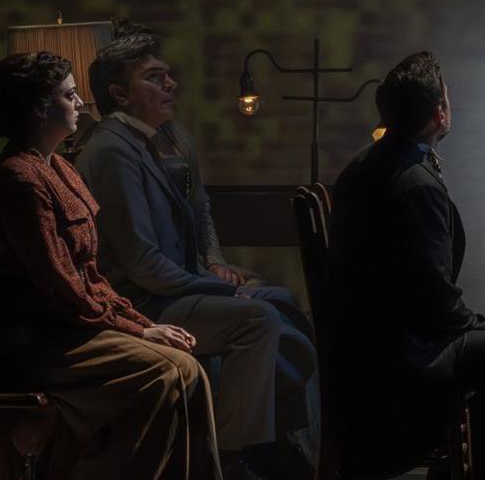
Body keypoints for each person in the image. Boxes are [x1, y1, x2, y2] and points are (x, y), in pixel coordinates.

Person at [0, 51, 223, 480]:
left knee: (187, 366)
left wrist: (136, 320)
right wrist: (140, 330)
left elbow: (89, 276)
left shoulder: (60, 169)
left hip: (65, 327)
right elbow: (61, 285)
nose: (81, 102)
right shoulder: (20, 178)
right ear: (40, 109)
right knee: (162, 371)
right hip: (25, 339)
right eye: (69, 95)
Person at [76, 30, 317, 479]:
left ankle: (286, 442)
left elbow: (199, 208)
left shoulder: (171, 136)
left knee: (282, 301)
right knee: (259, 317)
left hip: (177, 283)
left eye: (168, 74)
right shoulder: (111, 149)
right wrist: (221, 290)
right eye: (154, 77)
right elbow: (142, 264)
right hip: (144, 300)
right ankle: (231, 456)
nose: (171, 84)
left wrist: (215, 262)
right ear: (119, 94)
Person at [329, 51, 485, 480]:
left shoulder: (367, 163)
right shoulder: (413, 183)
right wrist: (479, 328)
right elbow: (435, 300)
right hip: (407, 357)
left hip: (371, 348)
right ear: (439, 113)